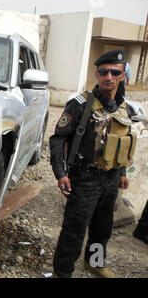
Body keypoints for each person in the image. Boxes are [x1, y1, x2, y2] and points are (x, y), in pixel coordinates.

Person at [49, 49, 137, 278]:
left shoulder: (123, 108)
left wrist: (122, 172)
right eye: (103, 72)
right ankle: (63, 271)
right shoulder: (79, 104)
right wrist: (61, 173)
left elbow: (121, 143)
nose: (109, 77)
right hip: (85, 177)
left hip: (110, 179)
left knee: (102, 227)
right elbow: (58, 138)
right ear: (97, 75)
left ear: (122, 76)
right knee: (75, 228)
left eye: (114, 72)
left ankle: (95, 262)